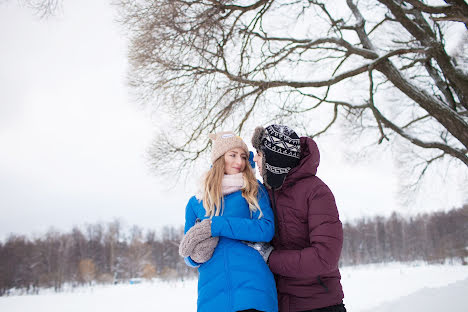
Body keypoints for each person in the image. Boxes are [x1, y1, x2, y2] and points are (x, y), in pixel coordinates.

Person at [179, 131, 278, 312]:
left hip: (254, 292)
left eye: (242, 156)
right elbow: (188, 253)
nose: (239, 162)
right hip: (212, 297)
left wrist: (216, 226)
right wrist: (195, 257)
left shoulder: (253, 190)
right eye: (232, 155)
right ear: (219, 158)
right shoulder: (196, 202)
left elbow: (266, 228)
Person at [251, 125, 346, 312]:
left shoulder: (316, 192)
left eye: (259, 154)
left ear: (274, 161)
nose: (255, 159)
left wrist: (270, 257)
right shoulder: (263, 194)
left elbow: (325, 257)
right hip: (276, 303)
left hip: (319, 304)